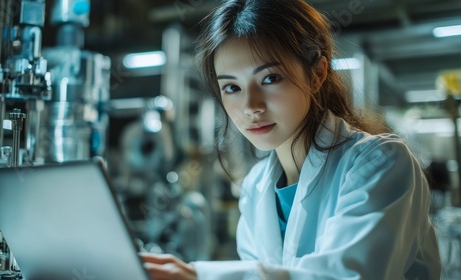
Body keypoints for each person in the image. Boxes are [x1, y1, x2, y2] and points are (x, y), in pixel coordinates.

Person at [140, 0, 442, 279]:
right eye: (231, 87)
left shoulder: (380, 162)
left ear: (317, 73)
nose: (251, 107)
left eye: (270, 78)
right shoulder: (256, 188)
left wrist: (200, 276)